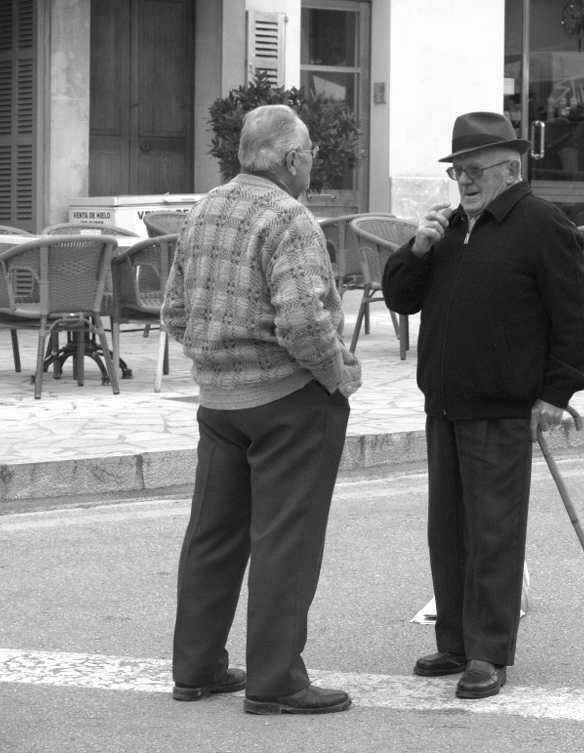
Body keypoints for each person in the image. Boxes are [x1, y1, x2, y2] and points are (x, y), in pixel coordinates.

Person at [383, 111, 584, 699]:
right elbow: (401, 295)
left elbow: (575, 315)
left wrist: (558, 392)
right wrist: (418, 247)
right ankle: (454, 641)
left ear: (510, 167)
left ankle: (490, 651)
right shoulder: (449, 228)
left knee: (494, 532)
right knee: (447, 531)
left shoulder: (542, 224)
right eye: (458, 172)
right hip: (445, 404)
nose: (466, 181)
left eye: (475, 170)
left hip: (503, 405)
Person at [162, 104, 361, 715]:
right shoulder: (289, 217)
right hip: (286, 400)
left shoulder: (204, 210)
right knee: (286, 540)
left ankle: (196, 668)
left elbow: (172, 311)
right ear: (293, 159)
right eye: (310, 156)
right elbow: (304, 321)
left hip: (219, 401)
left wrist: (214, 354)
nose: (312, 165)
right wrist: (340, 376)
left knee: (213, 534)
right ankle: (276, 681)